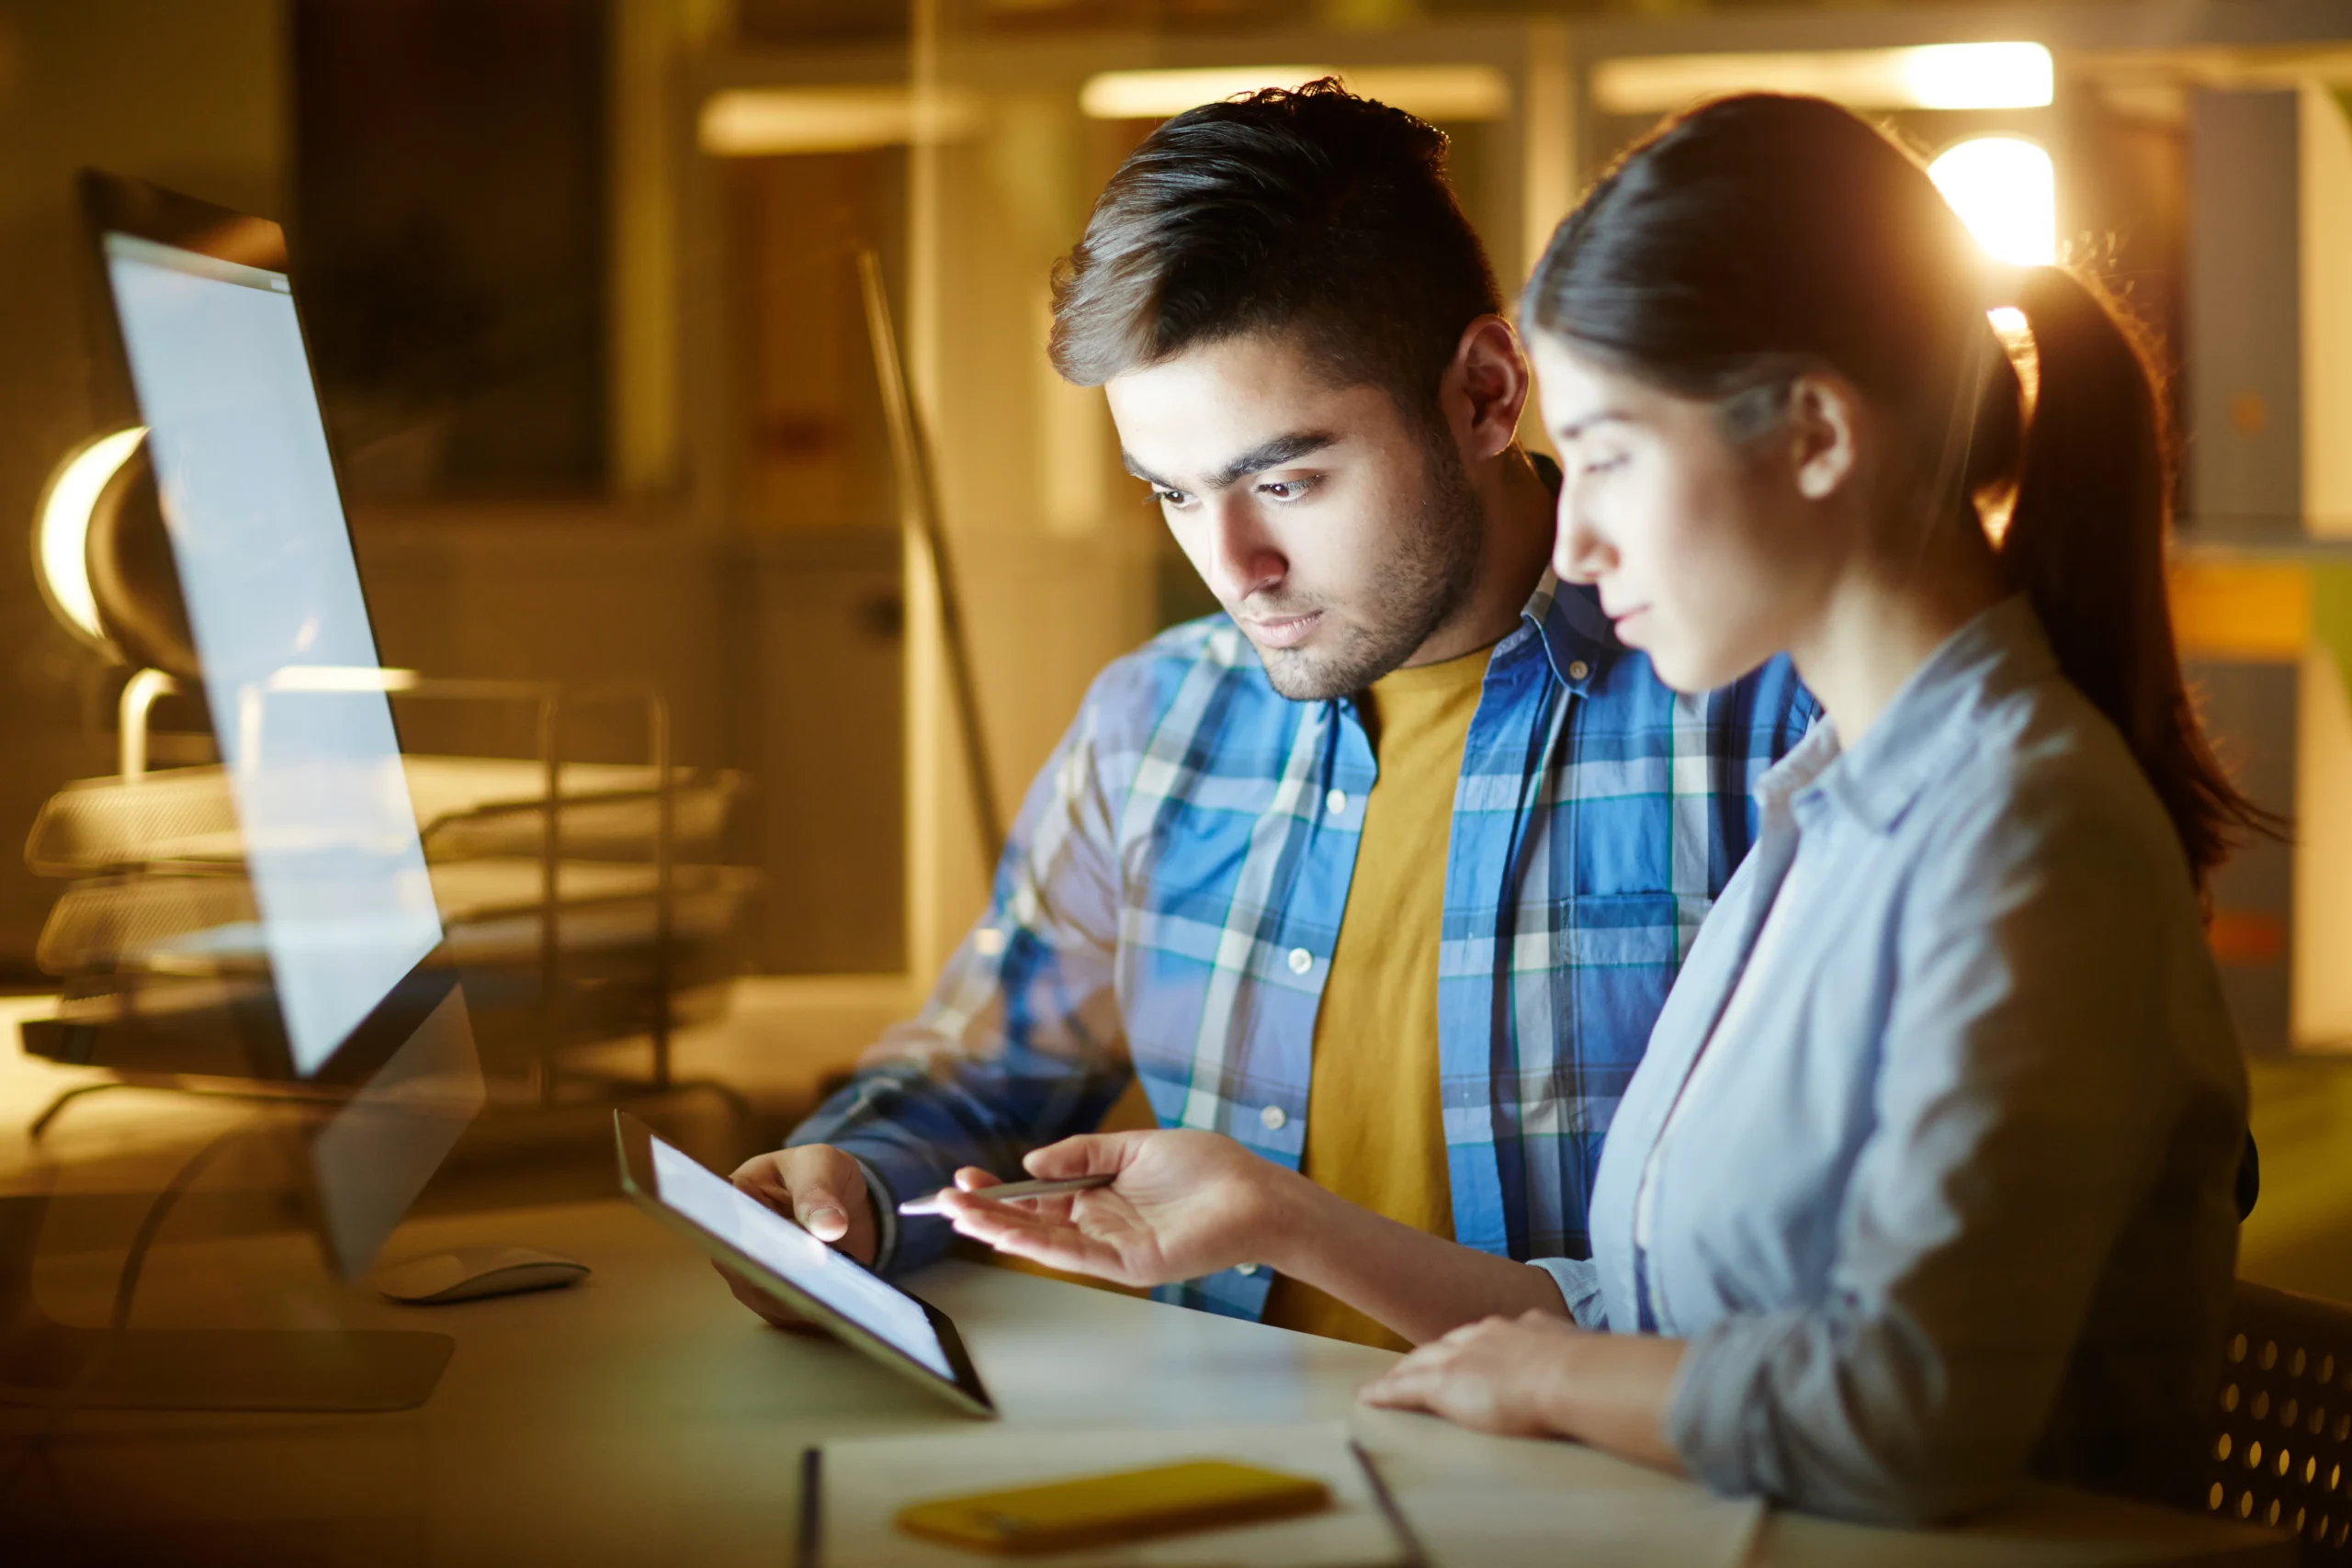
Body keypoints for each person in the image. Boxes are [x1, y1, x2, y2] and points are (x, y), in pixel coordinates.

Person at [936, 93, 2256, 1523]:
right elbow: (1647, 1316)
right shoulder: (1835, 806)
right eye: (1173, 495)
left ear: (1817, 434)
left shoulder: (2019, 831)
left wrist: (1555, 1381)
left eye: (1611, 455)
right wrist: (1275, 1214)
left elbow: (1903, 1412)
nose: (1572, 534)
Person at [722, 82, 1814, 1350]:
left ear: (1484, 392)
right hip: (1225, 1453)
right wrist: (847, 1184)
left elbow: (1822, 1283)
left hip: (1597, 1458)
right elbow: (983, 1075)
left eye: (1285, 481)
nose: (1233, 566)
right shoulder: (1157, 721)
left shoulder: (1769, 717)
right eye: (1173, 495)